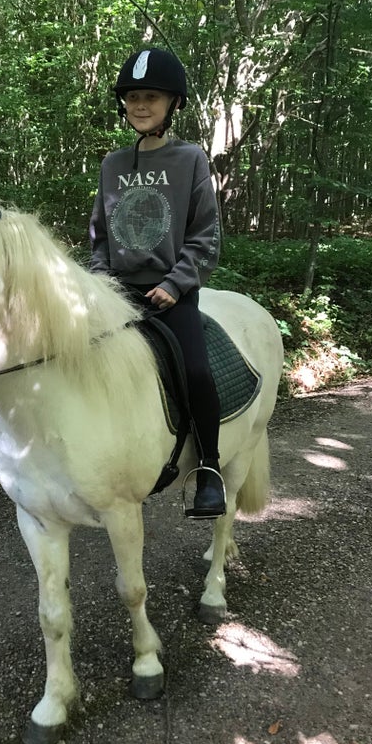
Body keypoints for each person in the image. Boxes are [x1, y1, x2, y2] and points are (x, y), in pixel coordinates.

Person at [89, 46, 225, 517]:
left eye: (151, 96)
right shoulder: (111, 165)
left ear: (173, 104)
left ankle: (209, 468)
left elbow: (205, 234)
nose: (140, 105)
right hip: (116, 291)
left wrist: (177, 282)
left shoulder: (190, 159)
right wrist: (99, 282)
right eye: (132, 97)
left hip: (171, 292)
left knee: (196, 371)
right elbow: (100, 236)